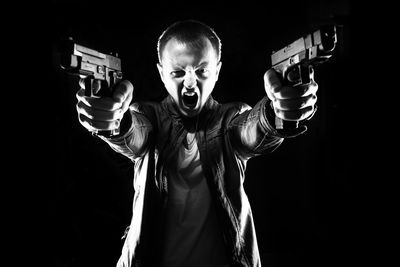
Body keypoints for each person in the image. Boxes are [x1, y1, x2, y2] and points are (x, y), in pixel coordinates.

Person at [75, 19, 318, 267]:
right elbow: (133, 133)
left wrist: (279, 112)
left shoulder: (230, 119)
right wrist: (112, 119)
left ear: (217, 71)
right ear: (161, 73)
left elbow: (254, 128)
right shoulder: (149, 118)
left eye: (202, 71)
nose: (190, 83)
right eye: (178, 72)